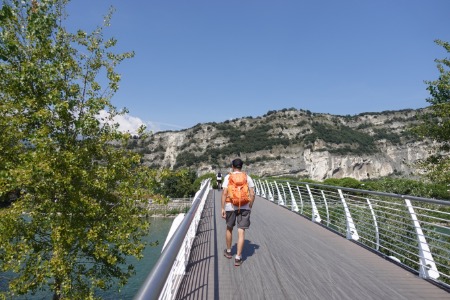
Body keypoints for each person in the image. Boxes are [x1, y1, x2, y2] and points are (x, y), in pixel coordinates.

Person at [221, 158, 255, 266]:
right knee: (241, 232)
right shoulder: (247, 177)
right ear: (241, 167)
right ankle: (238, 257)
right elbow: (252, 193)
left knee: (229, 228)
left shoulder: (228, 177)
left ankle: (229, 251)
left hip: (230, 206)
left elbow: (224, 193)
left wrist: (222, 208)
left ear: (232, 166)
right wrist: (250, 204)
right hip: (244, 206)